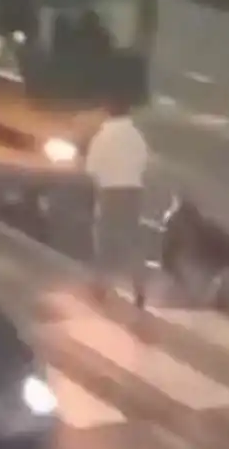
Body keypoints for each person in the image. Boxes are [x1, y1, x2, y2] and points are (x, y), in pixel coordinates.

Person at [85, 98, 149, 307]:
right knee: (132, 240)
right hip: (133, 191)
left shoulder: (103, 137)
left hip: (109, 191)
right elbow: (143, 162)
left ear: (107, 112)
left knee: (104, 239)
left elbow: (92, 168)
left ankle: (101, 285)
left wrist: (101, 184)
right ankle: (139, 288)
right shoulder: (137, 136)